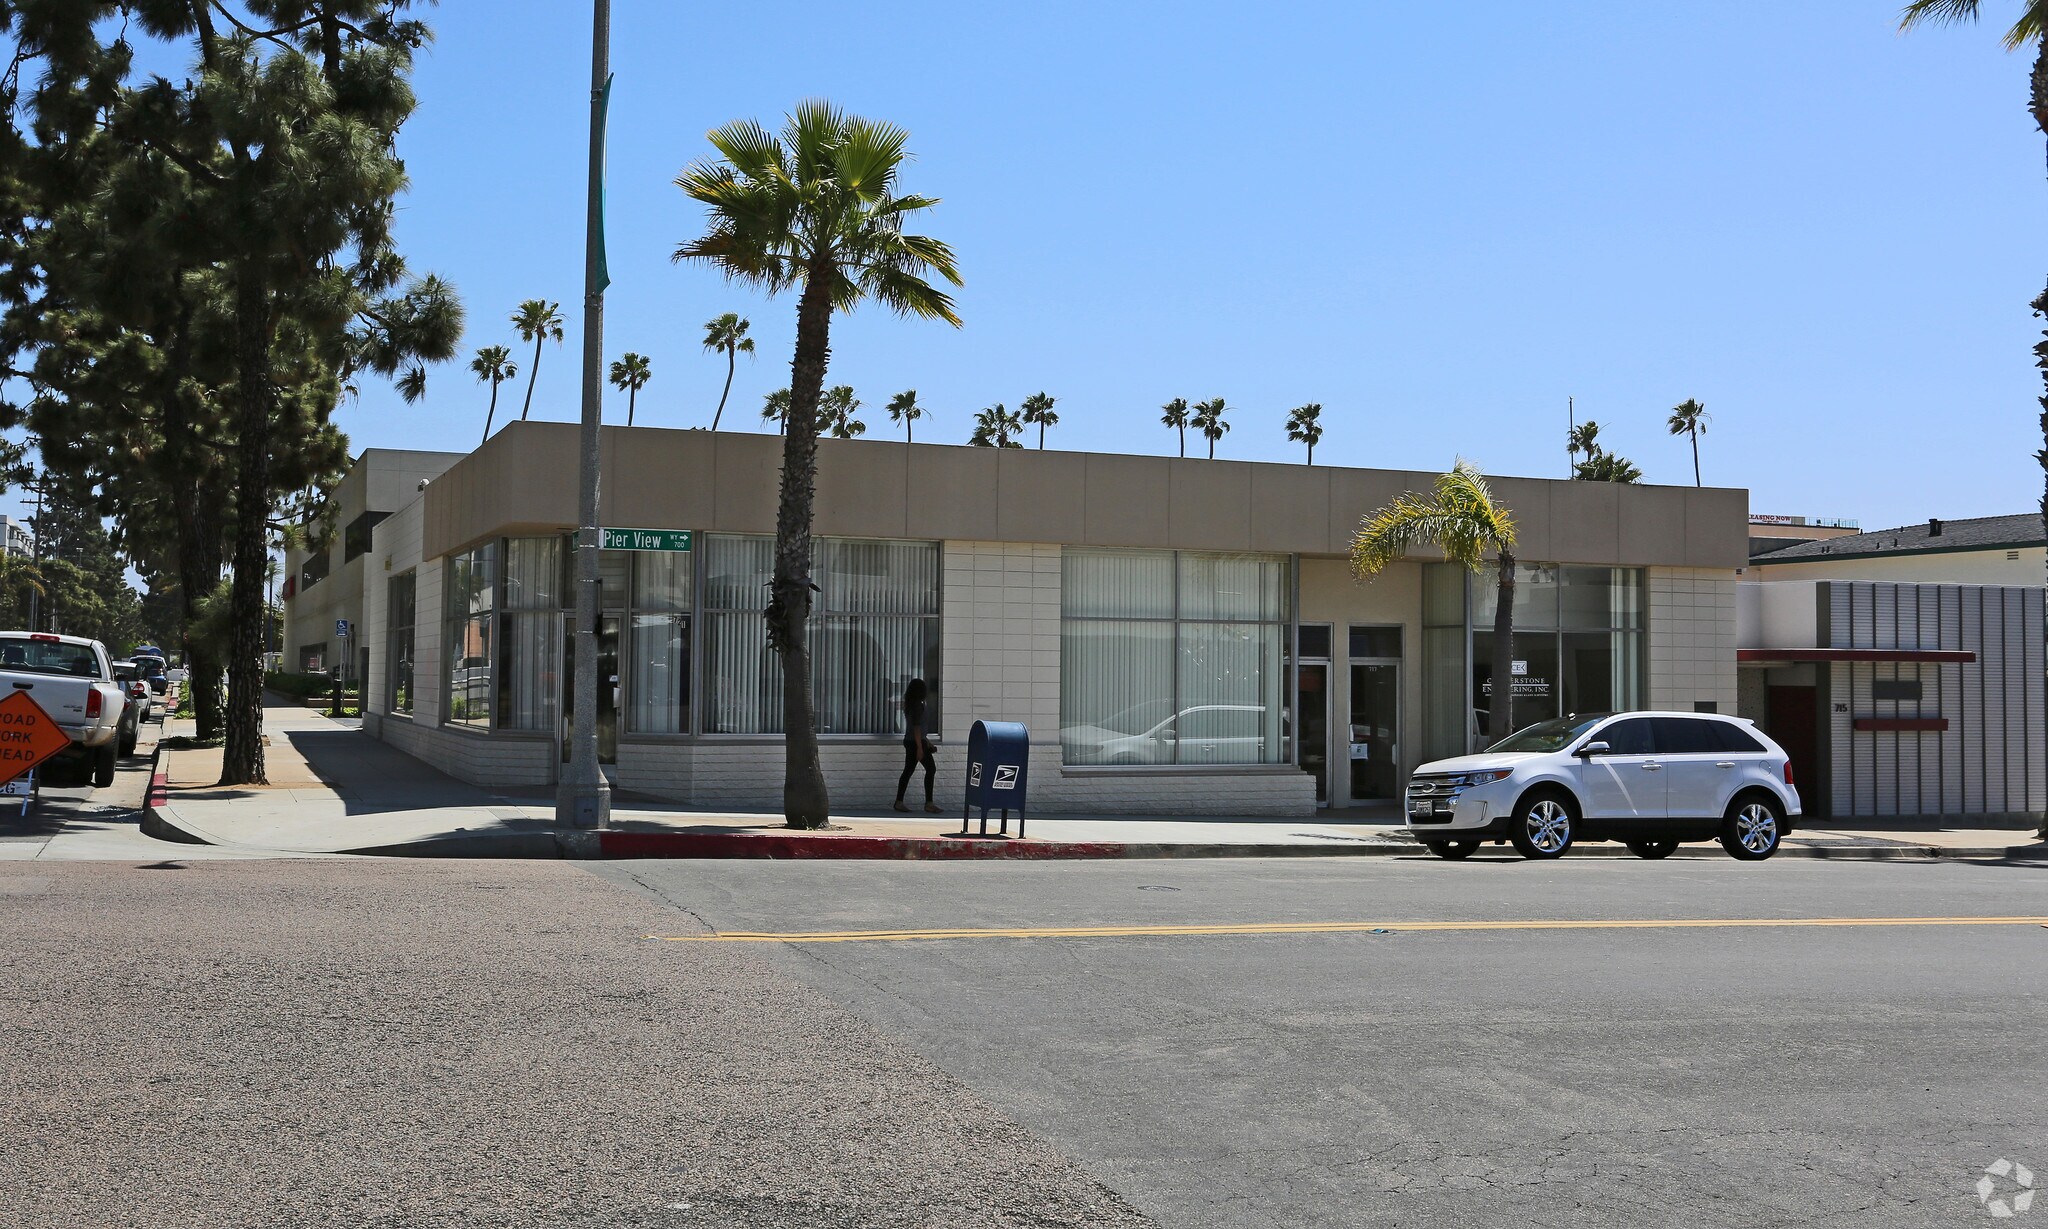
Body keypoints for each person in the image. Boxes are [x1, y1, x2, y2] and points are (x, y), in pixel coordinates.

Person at [894, 677, 940, 813]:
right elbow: (916, 727)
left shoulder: (911, 704)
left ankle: (899, 801)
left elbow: (918, 729)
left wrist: (927, 742)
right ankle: (929, 803)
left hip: (912, 741)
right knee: (931, 769)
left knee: (908, 771)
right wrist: (920, 748)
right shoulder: (918, 706)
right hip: (915, 743)